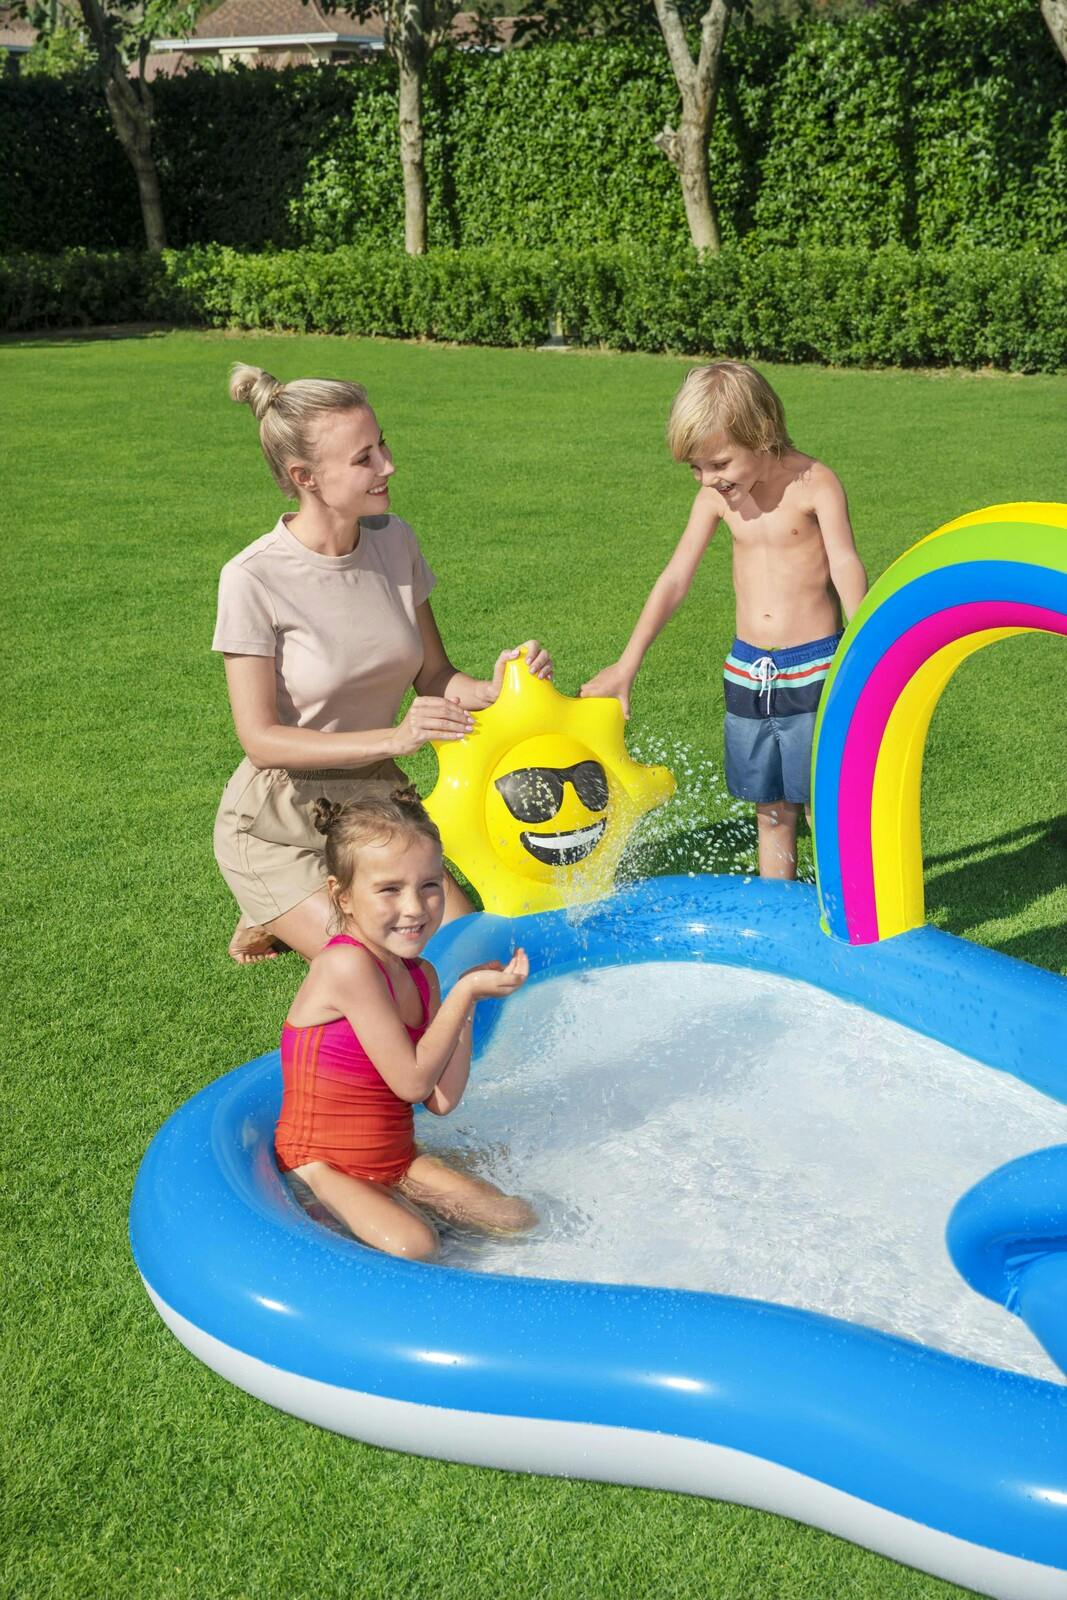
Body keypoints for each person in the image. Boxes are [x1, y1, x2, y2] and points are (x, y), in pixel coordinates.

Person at [214, 364, 552, 963]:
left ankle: (303, 905)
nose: (388, 466)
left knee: (471, 955)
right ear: (306, 477)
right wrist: (395, 737)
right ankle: (277, 896)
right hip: (279, 821)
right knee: (383, 970)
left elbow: (436, 676)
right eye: (364, 458)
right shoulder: (252, 577)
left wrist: (496, 687)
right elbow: (260, 740)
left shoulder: (395, 541)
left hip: (375, 799)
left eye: (383, 445)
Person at [581, 361, 868, 879]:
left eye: (717, 463)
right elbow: (675, 578)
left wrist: (863, 643)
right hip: (748, 670)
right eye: (696, 468)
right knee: (770, 809)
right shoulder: (716, 498)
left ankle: (840, 910)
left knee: (821, 803)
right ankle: (778, 908)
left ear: (761, 433)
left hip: (815, 666)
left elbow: (845, 562)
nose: (707, 479)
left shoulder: (814, 485)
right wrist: (627, 664)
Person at [275, 788, 537, 1259]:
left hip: (394, 1162)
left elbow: (441, 1099)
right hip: (322, 1165)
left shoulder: (422, 976)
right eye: (390, 889)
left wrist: (467, 1004)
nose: (415, 907)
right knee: (415, 1246)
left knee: (515, 1218)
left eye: (430, 885)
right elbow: (412, 1083)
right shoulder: (346, 966)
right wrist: (464, 992)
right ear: (343, 896)